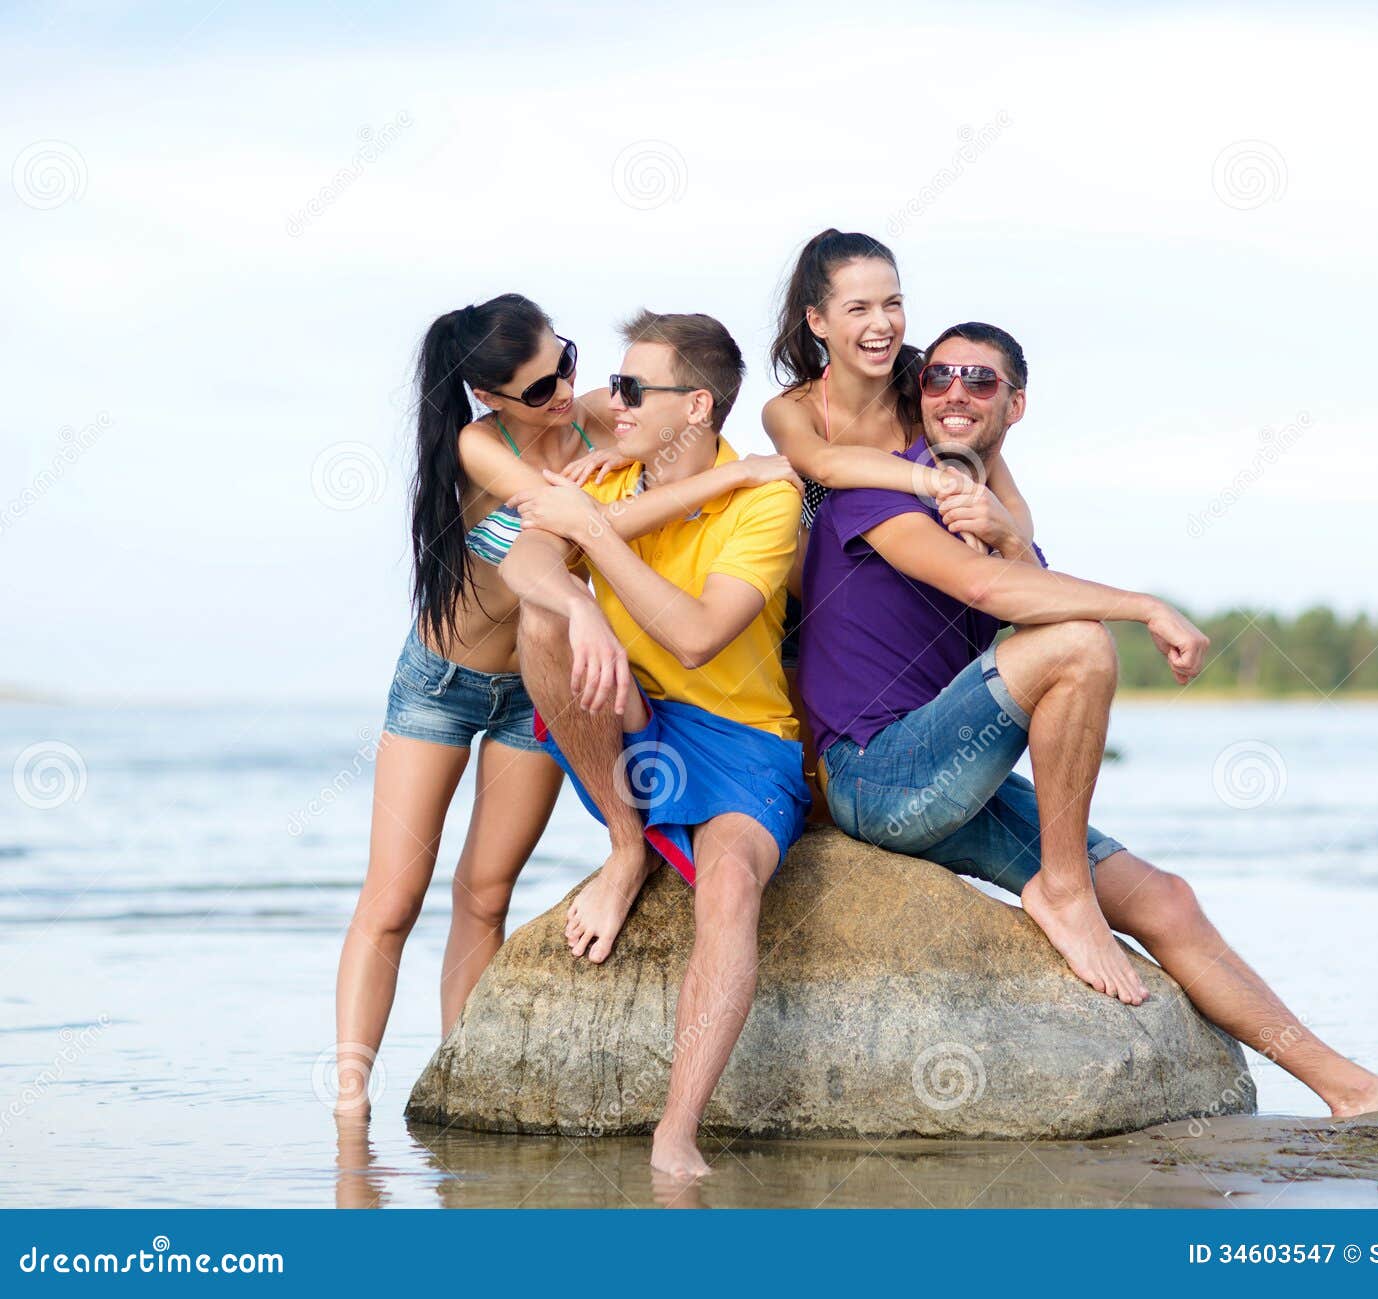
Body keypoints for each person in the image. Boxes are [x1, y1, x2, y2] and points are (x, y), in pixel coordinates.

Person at [798, 319, 1378, 1119]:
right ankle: (1062, 889)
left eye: (980, 381)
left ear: (1015, 404)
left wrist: (1013, 537)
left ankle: (1352, 1090)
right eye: (939, 375)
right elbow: (997, 601)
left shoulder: (988, 505)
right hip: (876, 774)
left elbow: (1020, 607)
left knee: (1168, 900)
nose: (954, 392)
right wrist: (1145, 606)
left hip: (947, 773)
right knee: (1082, 647)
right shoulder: (882, 482)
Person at [333, 294, 794, 1119]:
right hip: (444, 678)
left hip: (535, 689)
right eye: (541, 387)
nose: (568, 390)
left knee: (485, 891)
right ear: (493, 399)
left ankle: (456, 1078)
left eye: (568, 362)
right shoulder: (483, 443)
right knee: (392, 900)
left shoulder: (600, 416)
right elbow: (564, 529)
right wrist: (732, 474)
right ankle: (348, 1107)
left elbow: (632, 478)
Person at [499, 309, 809, 1178]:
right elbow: (523, 566)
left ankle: (676, 1132)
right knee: (543, 613)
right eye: (617, 384)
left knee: (732, 883)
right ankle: (626, 849)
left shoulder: (766, 493)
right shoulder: (609, 472)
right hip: (631, 719)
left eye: (634, 390)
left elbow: (700, 636)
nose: (611, 404)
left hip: (745, 739)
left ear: (699, 406)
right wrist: (581, 603)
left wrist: (594, 539)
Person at [763, 229, 1037, 788]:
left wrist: (1011, 546)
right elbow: (828, 466)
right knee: (815, 799)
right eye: (858, 308)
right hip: (811, 619)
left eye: (893, 304)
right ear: (818, 321)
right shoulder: (794, 410)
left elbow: (1006, 498)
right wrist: (933, 482)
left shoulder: (926, 393)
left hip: (920, 604)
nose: (881, 324)